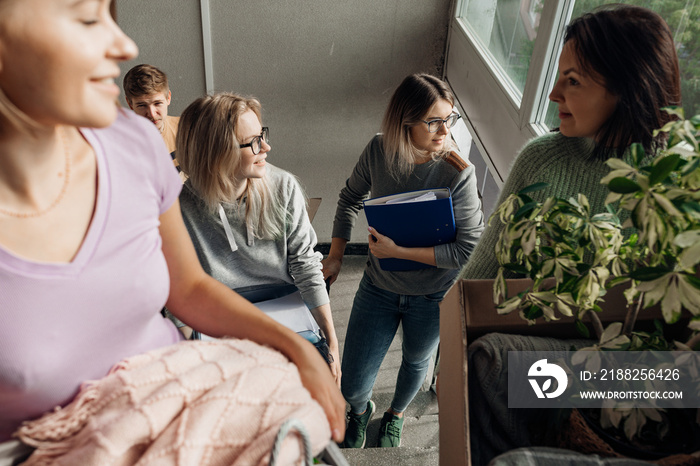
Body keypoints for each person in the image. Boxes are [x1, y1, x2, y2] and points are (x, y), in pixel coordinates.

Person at [0, 1, 344, 463]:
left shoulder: (134, 145)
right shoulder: (185, 189)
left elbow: (189, 288)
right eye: (85, 19)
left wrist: (300, 351)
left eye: (110, 15)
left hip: (177, 393)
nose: (123, 46)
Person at [457, 5, 681, 465]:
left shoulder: (677, 179)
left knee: (494, 365)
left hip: (653, 374)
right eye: (558, 77)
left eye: (573, 81)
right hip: (564, 363)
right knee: (489, 365)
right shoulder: (543, 160)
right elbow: (479, 282)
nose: (554, 92)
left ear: (626, 89)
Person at [322, 73, 484, 448]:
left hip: (433, 295)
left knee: (415, 363)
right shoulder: (379, 151)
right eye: (434, 121)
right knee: (353, 383)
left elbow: (466, 250)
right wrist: (335, 256)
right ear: (405, 121)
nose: (445, 130)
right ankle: (361, 411)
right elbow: (349, 199)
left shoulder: (458, 171)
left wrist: (399, 252)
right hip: (379, 286)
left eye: (450, 118)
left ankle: (394, 415)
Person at [175, 92, 341, 385]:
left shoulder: (283, 187)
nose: (266, 146)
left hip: (288, 317)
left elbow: (305, 264)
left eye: (262, 134)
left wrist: (331, 340)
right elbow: (178, 292)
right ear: (217, 153)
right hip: (220, 323)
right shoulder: (178, 208)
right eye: (253, 141)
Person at [123, 63, 179, 155]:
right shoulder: (120, 144)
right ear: (130, 104)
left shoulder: (187, 131)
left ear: (168, 98)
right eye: (142, 105)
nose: (152, 114)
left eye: (157, 103)